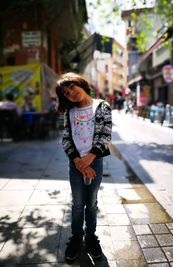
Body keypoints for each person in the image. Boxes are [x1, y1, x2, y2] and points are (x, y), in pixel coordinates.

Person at [56, 72, 112, 262]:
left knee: (92, 203)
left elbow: (105, 135)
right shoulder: (69, 112)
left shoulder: (102, 107)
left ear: (81, 83)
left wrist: (89, 159)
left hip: (94, 162)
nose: (70, 93)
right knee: (78, 204)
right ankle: (77, 237)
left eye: (72, 87)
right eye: (65, 93)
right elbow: (66, 139)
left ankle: (91, 237)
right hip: (75, 164)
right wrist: (78, 162)